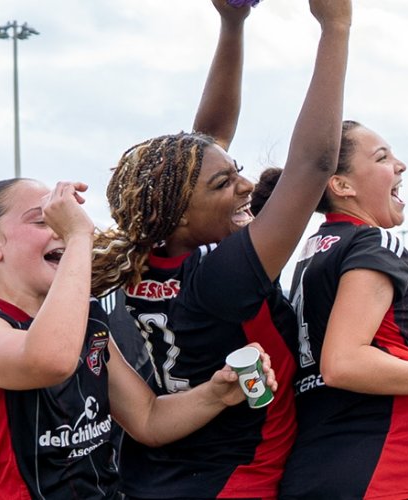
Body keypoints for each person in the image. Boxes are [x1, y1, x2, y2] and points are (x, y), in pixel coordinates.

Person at [89, 0, 350, 496]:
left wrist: (232, 24)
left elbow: (203, 144)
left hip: (164, 475)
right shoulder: (218, 278)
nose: (247, 185)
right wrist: (335, 26)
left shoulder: (151, 251)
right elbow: (313, 167)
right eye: (225, 184)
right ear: (182, 213)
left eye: (238, 170)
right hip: (231, 478)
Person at [0, 179, 275, 498]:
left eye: (63, 218)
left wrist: (216, 393)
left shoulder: (87, 318)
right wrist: (77, 237)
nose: (61, 228)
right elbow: (51, 361)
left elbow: (148, 419)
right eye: (44, 220)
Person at [246, 121, 408, 499]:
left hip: (315, 463)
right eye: (382, 157)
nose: (400, 165)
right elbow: (343, 363)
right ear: (342, 185)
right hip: (383, 467)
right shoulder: (375, 241)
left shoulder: (314, 249)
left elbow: (358, 354)